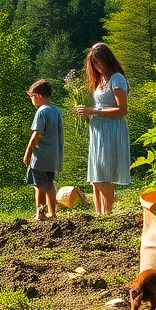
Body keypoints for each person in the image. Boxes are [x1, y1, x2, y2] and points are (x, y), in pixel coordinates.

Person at [75, 43, 130, 216]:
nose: (97, 68)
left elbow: (122, 110)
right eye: (94, 64)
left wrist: (93, 111)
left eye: (99, 63)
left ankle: (108, 213)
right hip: (98, 129)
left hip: (111, 128)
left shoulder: (117, 79)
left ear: (107, 60)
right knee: (96, 173)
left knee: (105, 173)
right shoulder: (101, 81)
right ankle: (98, 213)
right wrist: (88, 114)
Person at [22, 79, 63, 220]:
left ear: (38, 95)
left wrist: (28, 152)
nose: (32, 100)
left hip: (40, 156)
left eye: (31, 97)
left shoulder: (41, 111)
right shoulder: (56, 110)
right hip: (54, 156)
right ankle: (53, 213)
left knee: (39, 186)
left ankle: (40, 213)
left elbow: (37, 134)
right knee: (50, 184)